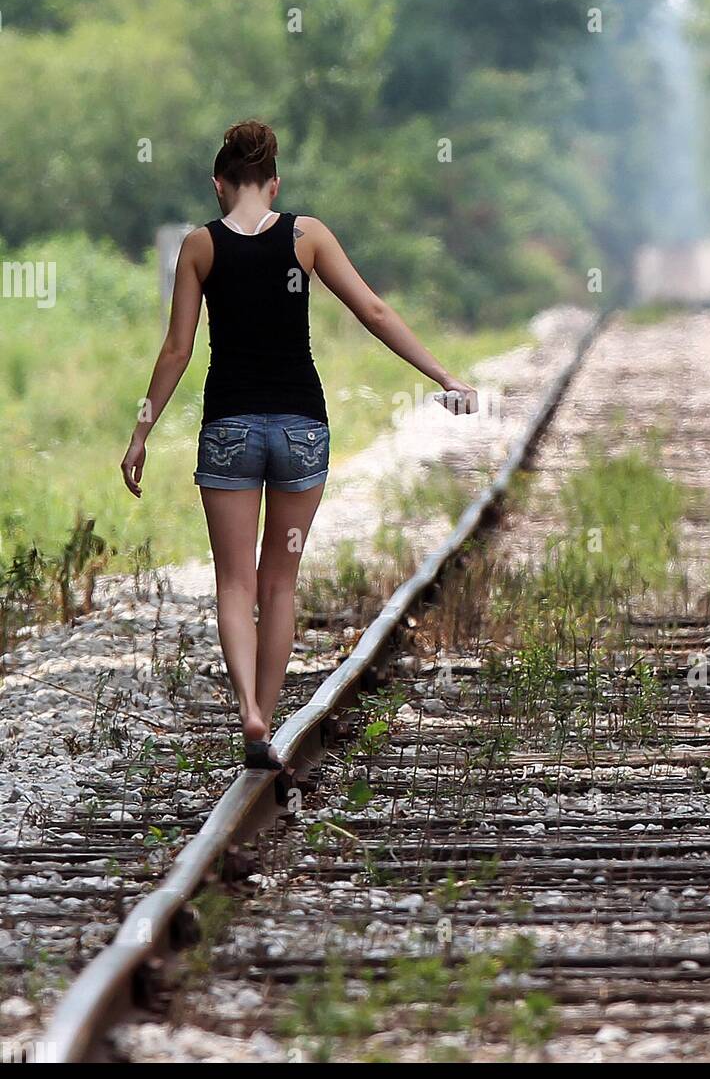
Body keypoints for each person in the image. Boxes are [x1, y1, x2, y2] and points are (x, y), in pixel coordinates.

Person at [121, 119, 478, 769]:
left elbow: (177, 350)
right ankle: (267, 707)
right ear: (274, 181)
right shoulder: (306, 236)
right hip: (300, 433)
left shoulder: (200, 247)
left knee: (234, 583)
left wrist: (141, 431)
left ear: (219, 184)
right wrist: (444, 375)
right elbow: (372, 311)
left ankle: (250, 718)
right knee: (277, 584)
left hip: (229, 430)